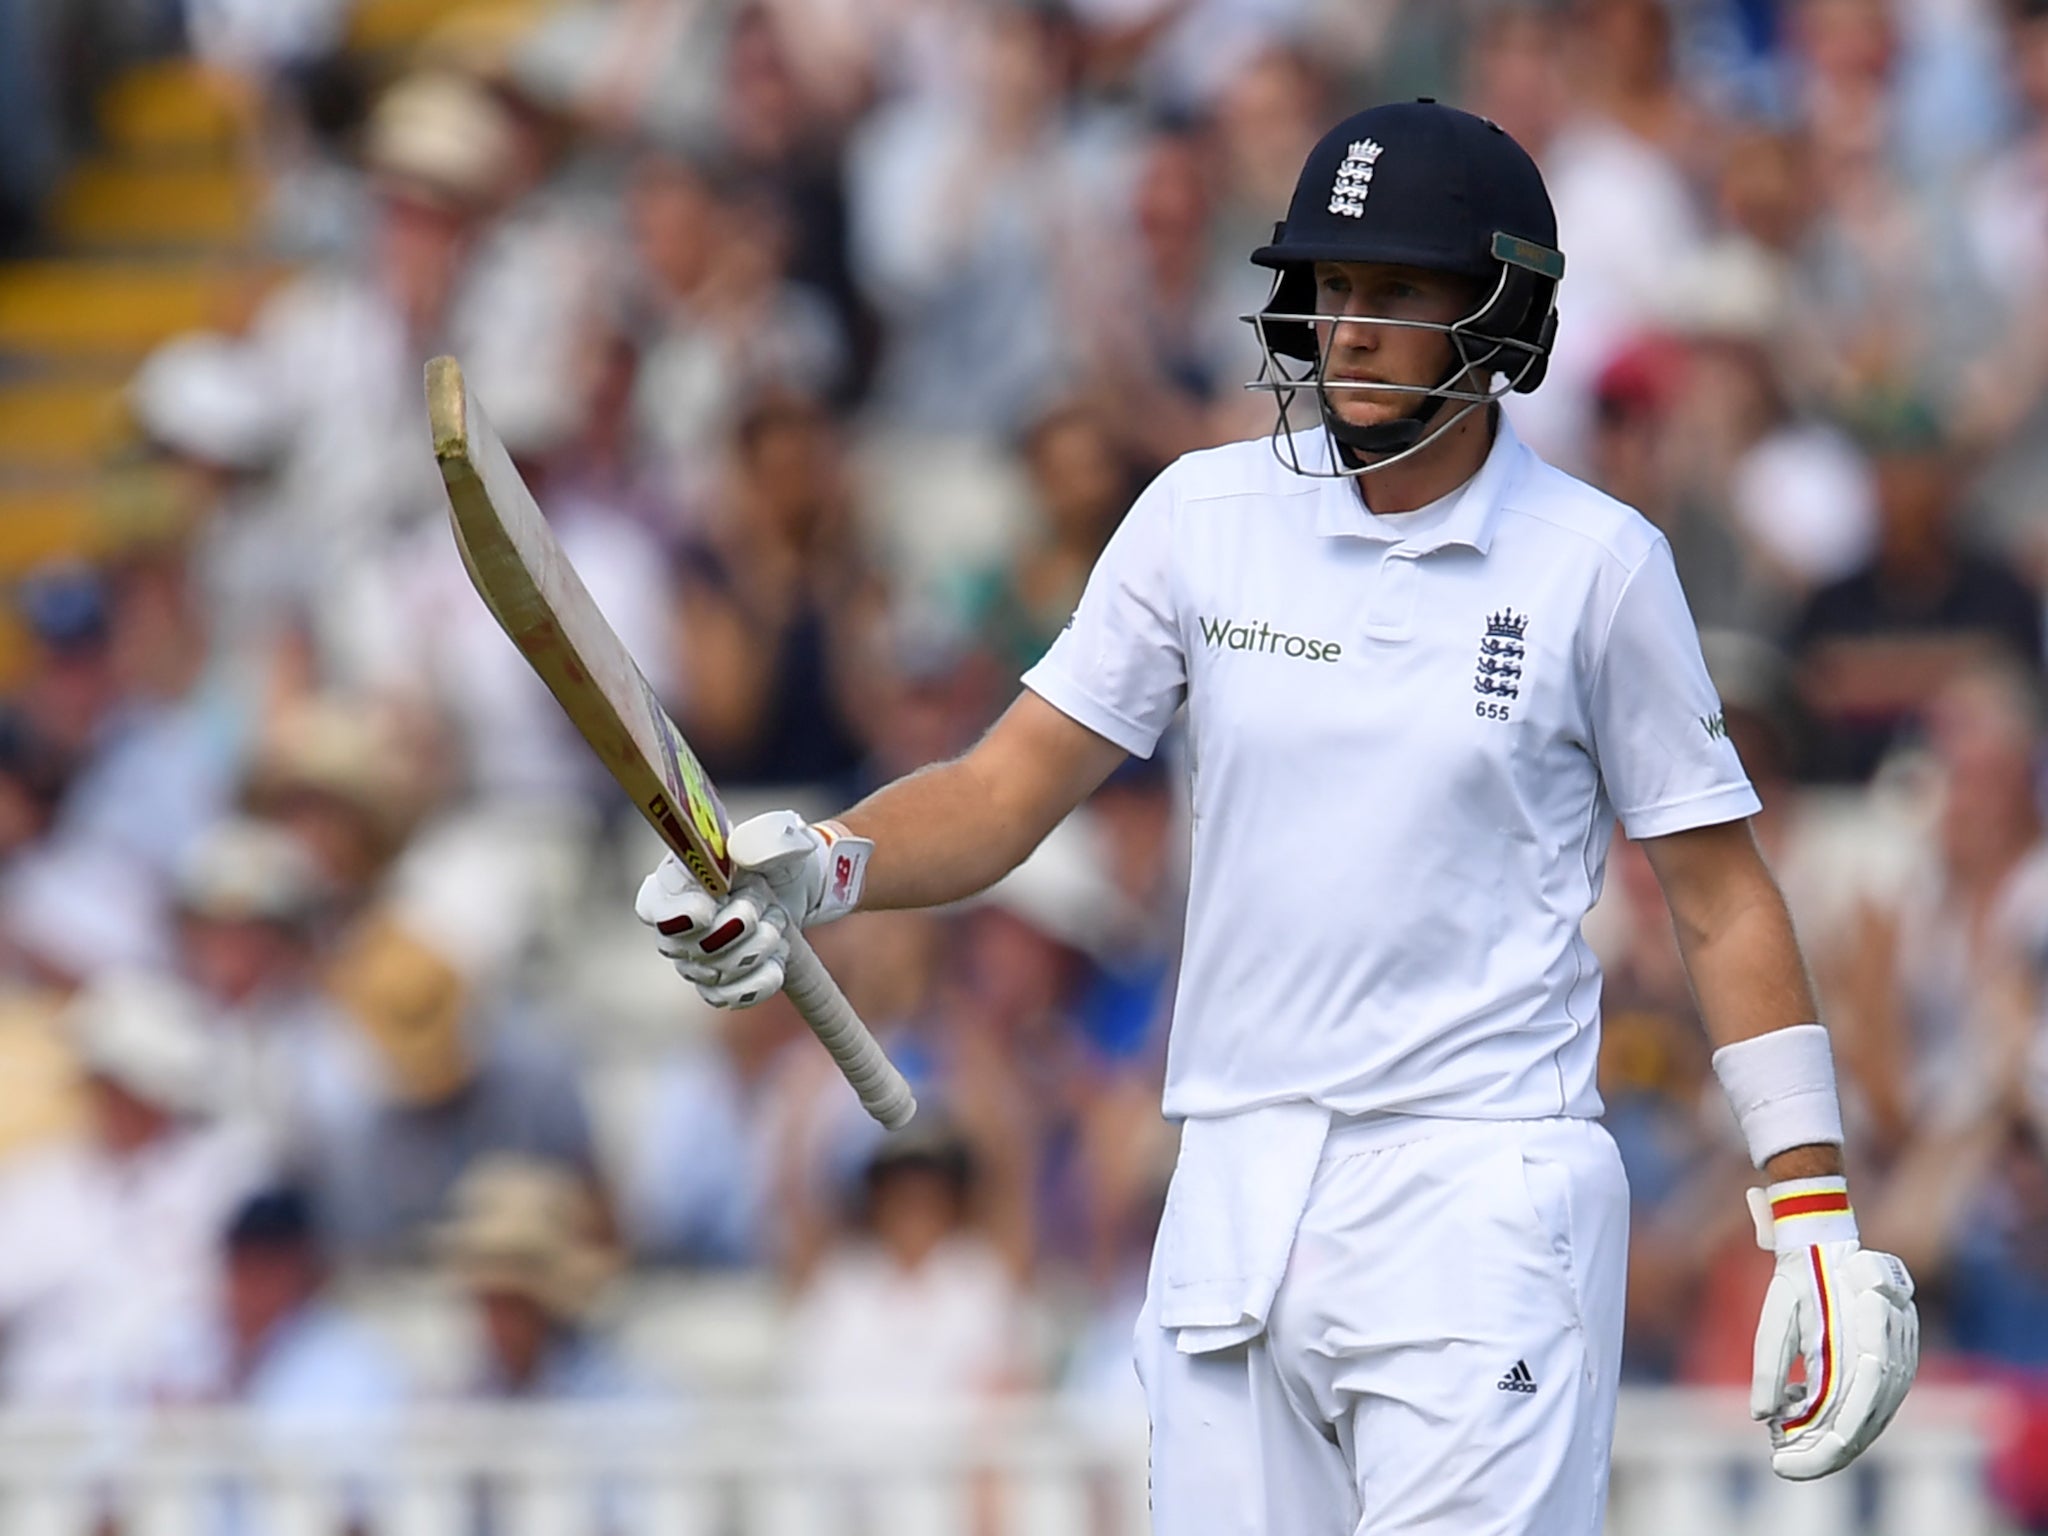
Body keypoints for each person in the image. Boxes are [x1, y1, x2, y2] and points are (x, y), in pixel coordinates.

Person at [634, 101, 1919, 1532]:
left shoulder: (1598, 567)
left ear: (1501, 310)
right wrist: (816, 865)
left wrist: (1808, 1210)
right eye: (1331, 287)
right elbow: (1003, 791)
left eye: (1398, 291)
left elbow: (1720, 893)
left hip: (1480, 1184)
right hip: (1235, 1188)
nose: (1349, 325)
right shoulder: (1201, 516)